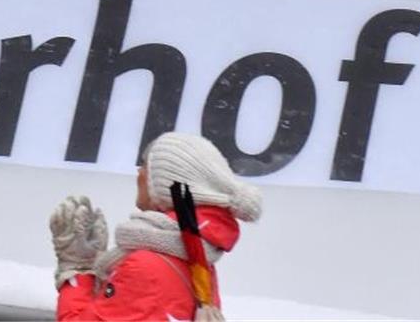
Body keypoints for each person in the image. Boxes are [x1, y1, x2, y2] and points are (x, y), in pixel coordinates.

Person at [49, 132, 263, 321]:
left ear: (163, 185)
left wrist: (77, 269)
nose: (139, 172)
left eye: (144, 164)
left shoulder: (146, 266)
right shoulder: (196, 262)